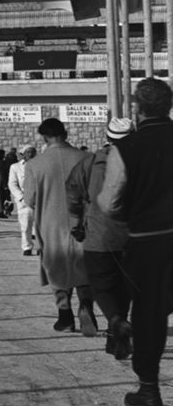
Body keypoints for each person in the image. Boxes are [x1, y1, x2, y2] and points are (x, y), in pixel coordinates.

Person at [99, 78, 173, 406]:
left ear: (138, 109)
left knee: (150, 316)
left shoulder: (125, 149)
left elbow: (109, 203)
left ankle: (149, 390)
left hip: (149, 242)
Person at [25, 118, 96, 336]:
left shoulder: (35, 165)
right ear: (65, 134)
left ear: (44, 137)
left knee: (56, 266)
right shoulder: (87, 158)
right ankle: (86, 305)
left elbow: (29, 199)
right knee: (84, 265)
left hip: (51, 223)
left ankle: (65, 315)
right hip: (83, 224)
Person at [70, 119, 133, 360]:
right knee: (124, 288)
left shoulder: (88, 162)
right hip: (130, 236)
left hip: (97, 235)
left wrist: (76, 223)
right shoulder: (139, 161)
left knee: (101, 285)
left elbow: (73, 193)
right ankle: (115, 336)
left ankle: (115, 321)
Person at [10, 144, 38, 255]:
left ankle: (40, 247)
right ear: (23, 154)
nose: (31, 154)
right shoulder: (15, 167)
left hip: (39, 200)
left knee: (40, 226)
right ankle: (27, 247)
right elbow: (12, 184)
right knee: (26, 226)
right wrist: (21, 198)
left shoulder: (40, 166)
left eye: (33, 151)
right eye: (28, 152)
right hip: (24, 201)